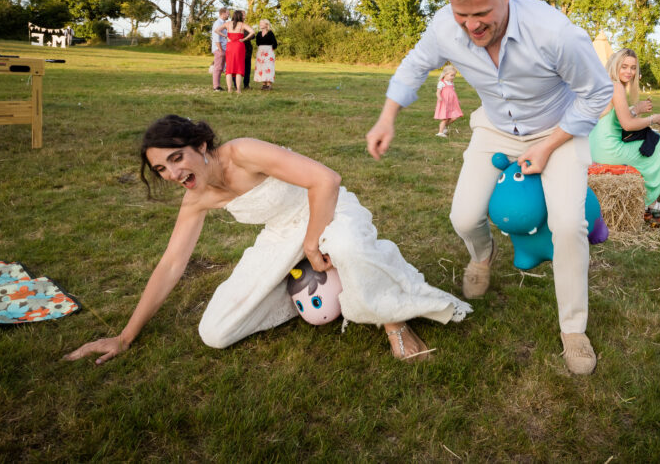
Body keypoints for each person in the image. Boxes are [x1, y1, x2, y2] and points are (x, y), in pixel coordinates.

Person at [365, 0, 612, 375]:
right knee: (463, 217)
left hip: (558, 129)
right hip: (495, 128)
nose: (472, 27)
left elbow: (597, 95)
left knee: (568, 225)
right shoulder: (447, 25)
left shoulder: (555, 32)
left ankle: (573, 329)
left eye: (482, 14)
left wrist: (550, 145)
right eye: (462, 16)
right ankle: (482, 256)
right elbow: (414, 66)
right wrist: (387, 118)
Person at [65, 115, 470, 366]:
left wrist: (313, 244)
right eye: (161, 169)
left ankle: (391, 318)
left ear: (201, 146)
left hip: (325, 209)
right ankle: (319, 289)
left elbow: (326, 180)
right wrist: (125, 335)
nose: (173, 173)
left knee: (344, 245)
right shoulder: (196, 199)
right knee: (215, 333)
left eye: (177, 158)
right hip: (280, 236)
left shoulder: (242, 153)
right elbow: (171, 265)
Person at [589, 49, 660, 219]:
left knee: (650, 143)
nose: (629, 72)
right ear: (615, 66)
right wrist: (652, 119)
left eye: (633, 68)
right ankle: (649, 201)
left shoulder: (605, 83)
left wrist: (636, 110)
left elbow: (614, 118)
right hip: (609, 149)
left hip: (594, 146)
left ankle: (644, 197)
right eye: (624, 67)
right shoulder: (616, 86)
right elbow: (628, 125)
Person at [215, 10, 254, 93]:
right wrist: (244, 39)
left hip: (230, 46)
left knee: (229, 68)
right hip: (239, 46)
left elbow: (217, 30)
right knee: (239, 68)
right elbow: (252, 32)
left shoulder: (227, 24)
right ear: (240, 16)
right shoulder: (242, 25)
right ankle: (238, 90)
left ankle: (229, 89)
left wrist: (225, 36)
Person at [434, 64, 464, 137]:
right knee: (445, 118)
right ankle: (440, 132)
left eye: (454, 76)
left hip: (451, 103)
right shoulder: (442, 83)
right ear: (445, 74)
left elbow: (453, 93)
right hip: (444, 102)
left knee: (454, 117)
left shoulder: (451, 83)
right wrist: (439, 97)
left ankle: (443, 126)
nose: (453, 77)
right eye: (451, 75)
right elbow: (438, 92)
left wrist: (457, 100)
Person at [253, 19, 278, 91]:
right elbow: (257, 43)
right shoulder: (258, 33)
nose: (260, 24)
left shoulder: (270, 33)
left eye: (262, 23)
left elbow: (275, 44)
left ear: (266, 24)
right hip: (260, 52)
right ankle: (264, 84)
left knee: (268, 67)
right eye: (260, 23)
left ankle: (269, 84)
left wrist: (270, 50)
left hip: (269, 52)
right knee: (261, 67)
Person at [210, 8, 229, 92]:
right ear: (223, 13)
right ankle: (216, 87)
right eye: (228, 13)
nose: (229, 15)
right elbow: (216, 38)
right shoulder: (217, 23)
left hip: (224, 48)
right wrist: (221, 50)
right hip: (219, 49)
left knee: (221, 68)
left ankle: (218, 85)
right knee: (218, 67)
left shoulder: (224, 23)